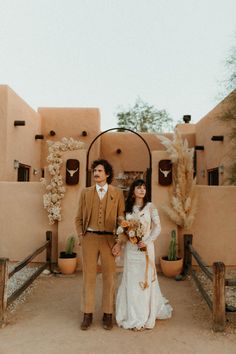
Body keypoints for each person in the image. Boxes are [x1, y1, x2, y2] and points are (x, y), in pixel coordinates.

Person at [115, 179, 172, 330]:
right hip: (131, 250)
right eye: (138, 188)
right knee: (132, 281)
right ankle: (133, 316)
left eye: (144, 188)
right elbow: (123, 228)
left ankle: (144, 316)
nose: (142, 190)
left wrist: (146, 241)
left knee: (145, 280)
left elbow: (158, 227)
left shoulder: (150, 207)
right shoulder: (127, 209)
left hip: (146, 248)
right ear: (133, 191)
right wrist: (125, 238)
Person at [75, 159, 125, 330]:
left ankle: (107, 314)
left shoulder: (117, 193)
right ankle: (87, 314)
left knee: (109, 277)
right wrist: (82, 236)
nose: (96, 173)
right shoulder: (85, 193)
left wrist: (119, 242)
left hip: (109, 239)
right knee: (88, 277)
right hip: (90, 238)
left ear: (107, 174)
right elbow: (78, 218)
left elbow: (122, 220)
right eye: (95, 170)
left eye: (100, 171)